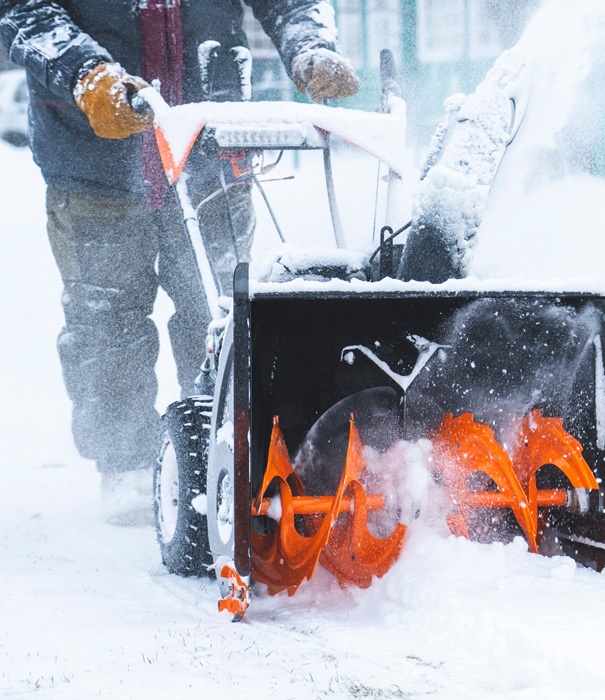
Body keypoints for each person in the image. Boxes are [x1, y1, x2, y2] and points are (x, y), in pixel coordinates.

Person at [0, 0, 359, 523]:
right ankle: (125, 464)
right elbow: (23, 8)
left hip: (213, 145)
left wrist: (310, 44)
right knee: (107, 317)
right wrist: (86, 73)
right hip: (92, 154)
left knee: (219, 312)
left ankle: (222, 453)